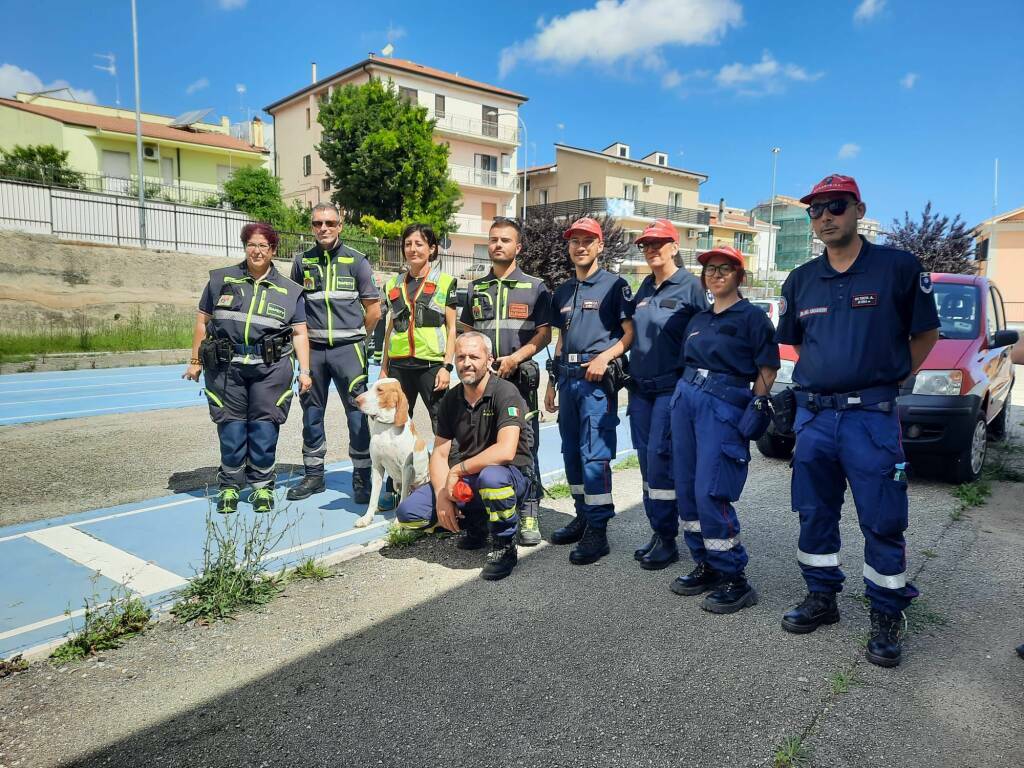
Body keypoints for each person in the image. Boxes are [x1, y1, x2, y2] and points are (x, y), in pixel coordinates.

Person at [776, 174, 939, 667]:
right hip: (816, 419)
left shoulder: (898, 268)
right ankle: (822, 597)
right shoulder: (800, 280)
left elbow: (925, 335)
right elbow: (800, 344)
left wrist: (885, 378)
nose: (825, 216)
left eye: (836, 206)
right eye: (816, 209)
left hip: (871, 417)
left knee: (882, 519)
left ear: (859, 209)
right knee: (814, 512)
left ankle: (886, 612)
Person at [669, 246, 779, 613]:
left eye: (725, 269)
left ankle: (735, 578)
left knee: (710, 490)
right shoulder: (698, 318)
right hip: (686, 399)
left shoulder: (752, 318)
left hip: (723, 404)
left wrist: (756, 405)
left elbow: (768, 371)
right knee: (685, 488)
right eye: (710, 270)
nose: (715, 275)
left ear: (739, 276)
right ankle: (707, 565)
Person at [183, 222, 312, 514]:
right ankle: (229, 485)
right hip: (227, 369)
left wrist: (305, 371)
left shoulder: (290, 290)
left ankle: (261, 487)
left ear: (273, 250)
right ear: (245, 247)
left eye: (263, 246)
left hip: (271, 370)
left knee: (264, 430)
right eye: (251, 244)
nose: (256, 251)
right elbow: (202, 321)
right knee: (231, 429)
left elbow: (300, 332)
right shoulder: (221, 280)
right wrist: (195, 362)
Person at [394, 332, 534, 581]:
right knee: (409, 513)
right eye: (460, 357)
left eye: (474, 356)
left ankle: (504, 545)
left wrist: (457, 471)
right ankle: (475, 524)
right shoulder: (451, 399)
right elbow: (439, 453)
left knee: (492, 480)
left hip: (508, 475)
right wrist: (441, 497)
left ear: (489, 360)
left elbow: (505, 450)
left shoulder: (506, 392)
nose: (466, 363)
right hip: (470, 478)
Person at [545, 217, 633, 565]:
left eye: (587, 240)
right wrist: (551, 384)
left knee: (594, 454)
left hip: (596, 383)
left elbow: (629, 334)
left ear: (600, 246)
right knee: (570, 451)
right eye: (574, 241)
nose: (580, 246)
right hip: (567, 380)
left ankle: (598, 530)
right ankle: (582, 515)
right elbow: (561, 338)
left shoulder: (615, 285)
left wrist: (604, 358)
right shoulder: (564, 291)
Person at [460, 217, 552, 546]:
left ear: (518, 247)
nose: (498, 245)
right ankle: (483, 515)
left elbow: (544, 333)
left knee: (525, 449)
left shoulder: (535, 287)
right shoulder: (475, 287)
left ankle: (529, 510)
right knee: (482, 447)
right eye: (493, 239)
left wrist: (517, 358)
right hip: (481, 385)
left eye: (505, 240)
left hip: (518, 380)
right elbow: (465, 332)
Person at [626, 219, 708, 570]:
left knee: (662, 460)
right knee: (646, 463)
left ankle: (671, 539)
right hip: (640, 392)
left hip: (671, 390)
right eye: (645, 244)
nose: (651, 249)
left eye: (658, 243)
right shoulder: (643, 287)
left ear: (675, 246)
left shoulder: (691, 287)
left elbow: (707, 334)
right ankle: (660, 533)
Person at [286, 203, 381, 504]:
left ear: (340, 225)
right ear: (311, 227)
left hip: (348, 351)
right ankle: (314, 476)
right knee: (311, 414)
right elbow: (295, 311)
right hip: (312, 352)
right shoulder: (302, 262)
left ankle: (362, 476)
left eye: (329, 222)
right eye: (317, 223)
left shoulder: (357, 261)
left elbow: (374, 311)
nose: (323, 228)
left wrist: (356, 338)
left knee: (357, 415)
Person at [381, 224, 458, 431]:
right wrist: (383, 367)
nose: (412, 249)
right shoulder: (392, 285)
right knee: (396, 422)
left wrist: (446, 367)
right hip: (399, 366)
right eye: (408, 244)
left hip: (431, 366)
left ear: (431, 248)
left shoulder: (445, 282)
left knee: (442, 422)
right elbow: (391, 328)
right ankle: (402, 463)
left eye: (419, 244)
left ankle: (445, 463)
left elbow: (452, 329)